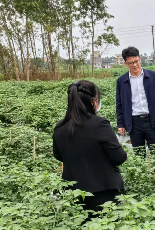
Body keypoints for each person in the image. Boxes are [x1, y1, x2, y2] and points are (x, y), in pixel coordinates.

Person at [53, 80, 127, 213]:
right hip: (104, 193)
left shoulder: (60, 127)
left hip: (73, 194)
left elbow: (58, 155)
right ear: (93, 101)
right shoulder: (100, 124)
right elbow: (119, 158)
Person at [116, 46, 155, 151]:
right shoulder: (121, 81)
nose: (134, 65)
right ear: (125, 63)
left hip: (151, 120)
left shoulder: (152, 76)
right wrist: (120, 124)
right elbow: (119, 104)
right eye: (130, 63)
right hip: (134, 123)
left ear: (140, 59)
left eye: (136, 61)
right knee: (139, 152)